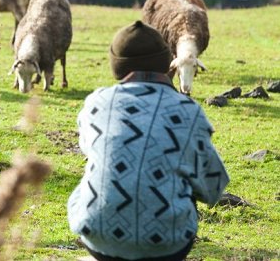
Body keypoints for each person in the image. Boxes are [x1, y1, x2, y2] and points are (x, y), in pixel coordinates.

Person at [67, 21, 229, 260]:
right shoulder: (187, 110)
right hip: (165, 246)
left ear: (117, 66)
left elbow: (90, 151)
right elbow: (213, 188)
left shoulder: (96, 103)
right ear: (166, 62)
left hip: (98, 236)